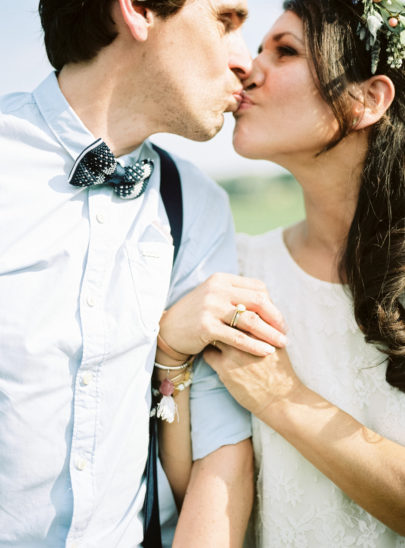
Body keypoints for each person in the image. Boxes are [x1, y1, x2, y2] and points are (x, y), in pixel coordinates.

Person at [0, 1, 290, 546]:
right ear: (138, 10)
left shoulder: (197, 206)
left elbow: (219, 451)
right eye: (225, 22)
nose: (245, 62)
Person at [157, 0, 405, 545]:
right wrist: (170, 355)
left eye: (286, 51)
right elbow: (193, 489)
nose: (246, 66)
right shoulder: (238, 267)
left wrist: (281, 398)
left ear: (368, 99)